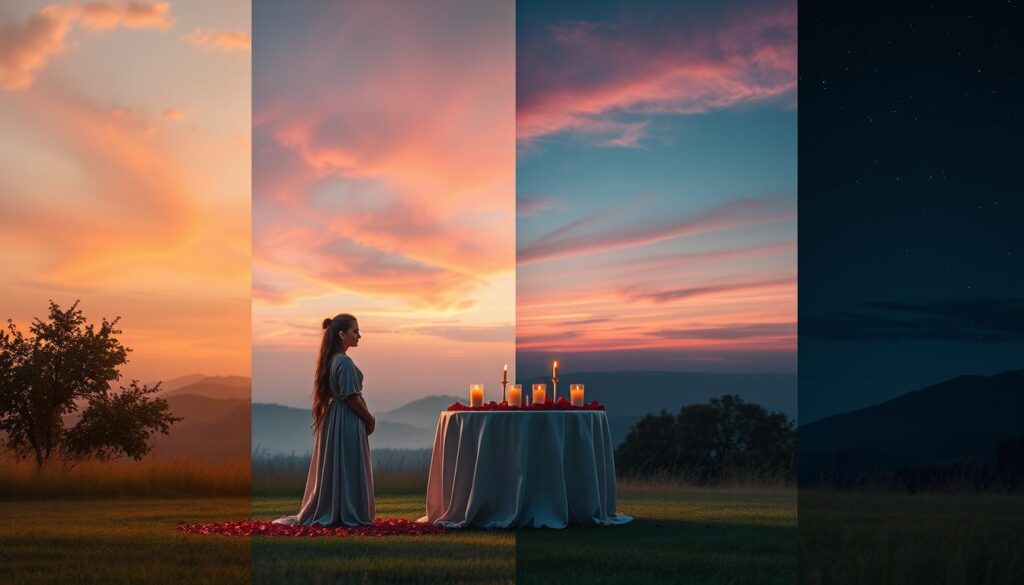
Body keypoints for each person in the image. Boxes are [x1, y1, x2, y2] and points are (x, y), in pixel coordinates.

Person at [272, 313, 376, 526]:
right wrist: (370, 418)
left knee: (339, 463)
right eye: (355, 331)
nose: (359, 335)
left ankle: (338, 507)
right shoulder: (344, 362)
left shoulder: (332, 360)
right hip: (346, 417)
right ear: (341, 334)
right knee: (347, 463)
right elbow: (351, 397)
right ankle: (347, 511)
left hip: (335, 417)